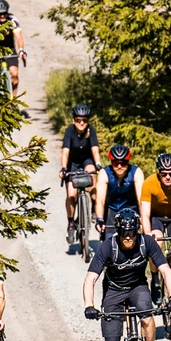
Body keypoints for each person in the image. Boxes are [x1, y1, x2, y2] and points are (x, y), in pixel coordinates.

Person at [59, 104, 102, 242]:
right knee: (71, 195)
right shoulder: (69, 131)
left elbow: (95, 149)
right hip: (72, 163)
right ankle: (71, 223)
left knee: (92, 175)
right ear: (74, 120)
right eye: (78, 120)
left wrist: (98, 164)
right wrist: (64, 168)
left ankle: (94, 208)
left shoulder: (91, 130)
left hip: (86, 161)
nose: (81, 123)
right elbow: (65, 152)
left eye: (84, 120)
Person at [95, 143, 144, 238]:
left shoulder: (136, 172)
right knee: (109, 241)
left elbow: (141, 199)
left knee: (133, 240)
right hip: (111, 210)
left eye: (123, 163)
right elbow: (100, 200)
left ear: (128, 162)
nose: (120, 166)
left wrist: (143, 218)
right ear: (111, 162)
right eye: (116, 163)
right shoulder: (104, 173)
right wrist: (99, 218)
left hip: (131, 209)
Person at [0, 0, 27, 99]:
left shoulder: (13, 20)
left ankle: (13, 99)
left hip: (10, 48)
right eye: (0, 14)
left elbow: (19, 37)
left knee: (14, 75)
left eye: (4, 13)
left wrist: (21, 50)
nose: (2, 16)